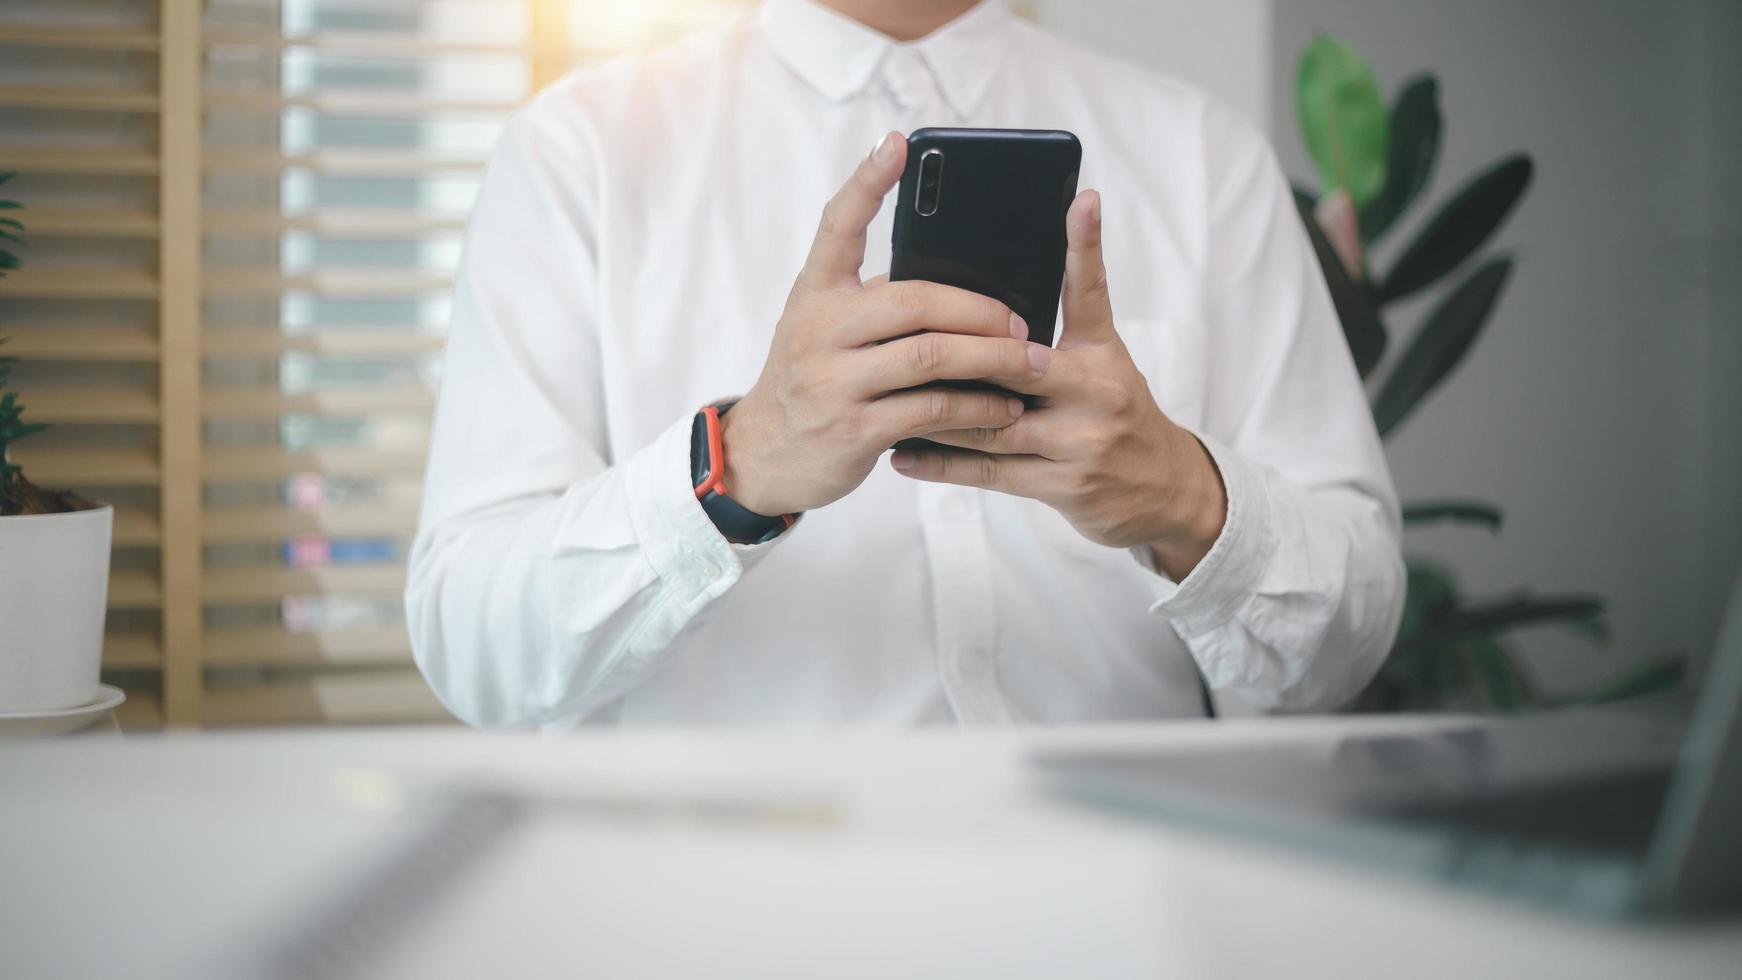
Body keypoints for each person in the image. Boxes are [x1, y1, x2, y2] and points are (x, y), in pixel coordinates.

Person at [405, 0, 1406, 728]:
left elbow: (1348, 641)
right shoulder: (576, 156)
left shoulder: (1200, 154)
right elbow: (474, 647)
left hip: (1127, 906)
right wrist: (735, 468)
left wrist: (1186, 499)